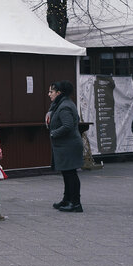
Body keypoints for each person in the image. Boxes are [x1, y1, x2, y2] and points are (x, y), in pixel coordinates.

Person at [48, 80, 84, 213]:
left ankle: (75, 203)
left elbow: (68, 126)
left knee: (70, 174)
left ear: (59, 93)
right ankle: (67, 199)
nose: (49, 94)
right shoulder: (63, 104)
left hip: (69, 146)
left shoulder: (64, 106)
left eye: (51, 91)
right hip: (66, 145)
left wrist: (54, 133)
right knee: (67, 174)